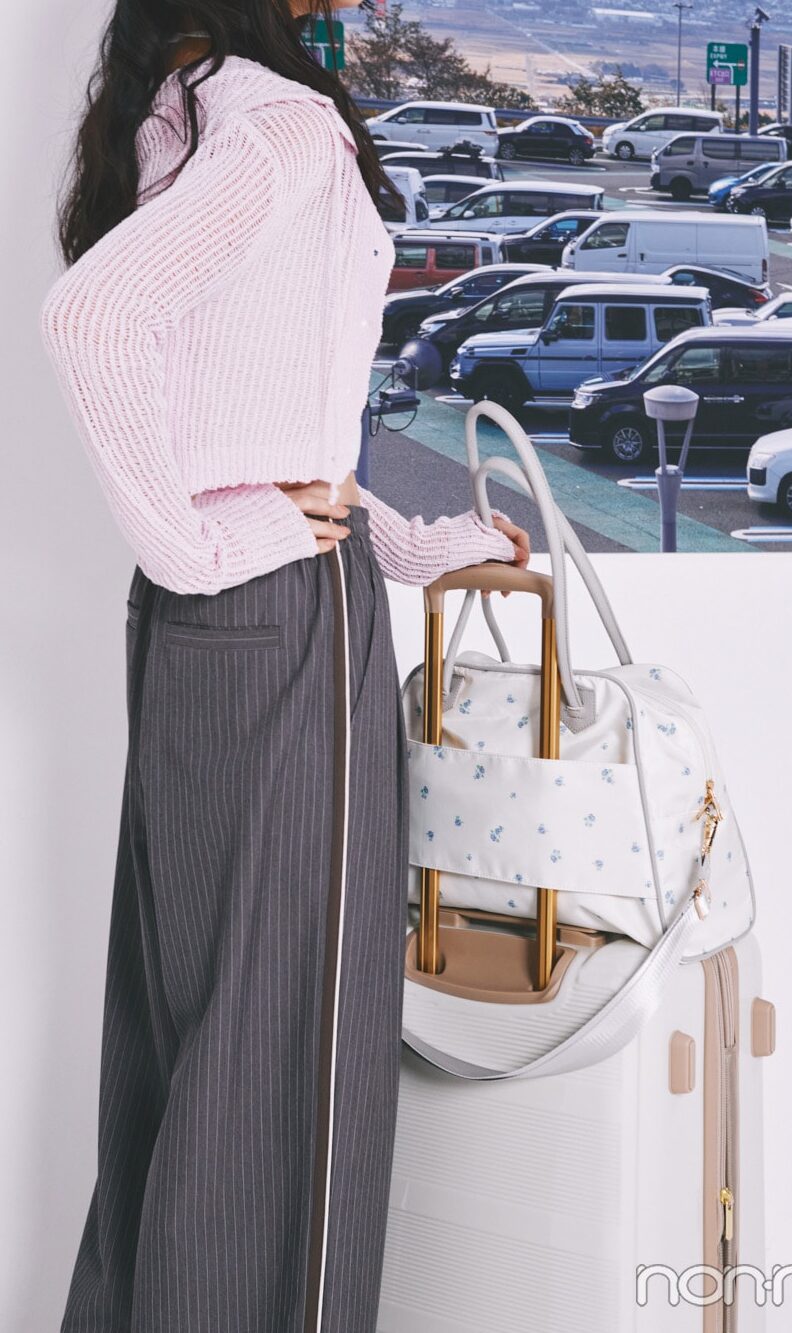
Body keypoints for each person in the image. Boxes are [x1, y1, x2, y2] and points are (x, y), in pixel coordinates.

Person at [39, 4, 530, 1330]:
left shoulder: (183, 100)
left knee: (196, 1026)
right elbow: (94, 319)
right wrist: (210, 544)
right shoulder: (282, 123)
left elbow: (251, 399)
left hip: (211, 622)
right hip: (273, 617)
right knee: (287, 1040)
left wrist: (407, 544)